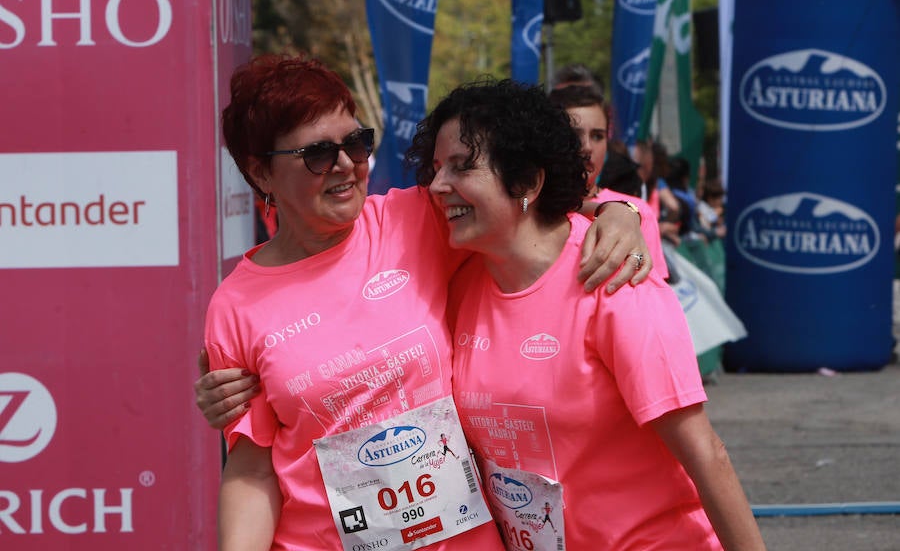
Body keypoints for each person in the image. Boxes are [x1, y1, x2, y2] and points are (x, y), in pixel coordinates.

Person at [202, 54, 653, 550]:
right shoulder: (235, 306)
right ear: (261, 173)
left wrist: (619, 209)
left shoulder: (414, 219)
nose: (346, 166)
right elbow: (251, 472)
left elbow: (521, 201)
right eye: (317, 154)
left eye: (355, 143)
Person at [408, 78, 766, 550]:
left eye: (461, 166)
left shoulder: (613, 281)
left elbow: (706, 455)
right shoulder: (461, 286)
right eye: (436, 168)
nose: (438, 186)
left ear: (528, 182)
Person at [548, 84, 668, 279]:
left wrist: (636, 270)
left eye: (597, 136)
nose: (586, 147)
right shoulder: (527, 207)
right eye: (573, 135)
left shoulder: (639, 211)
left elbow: (654, 293)